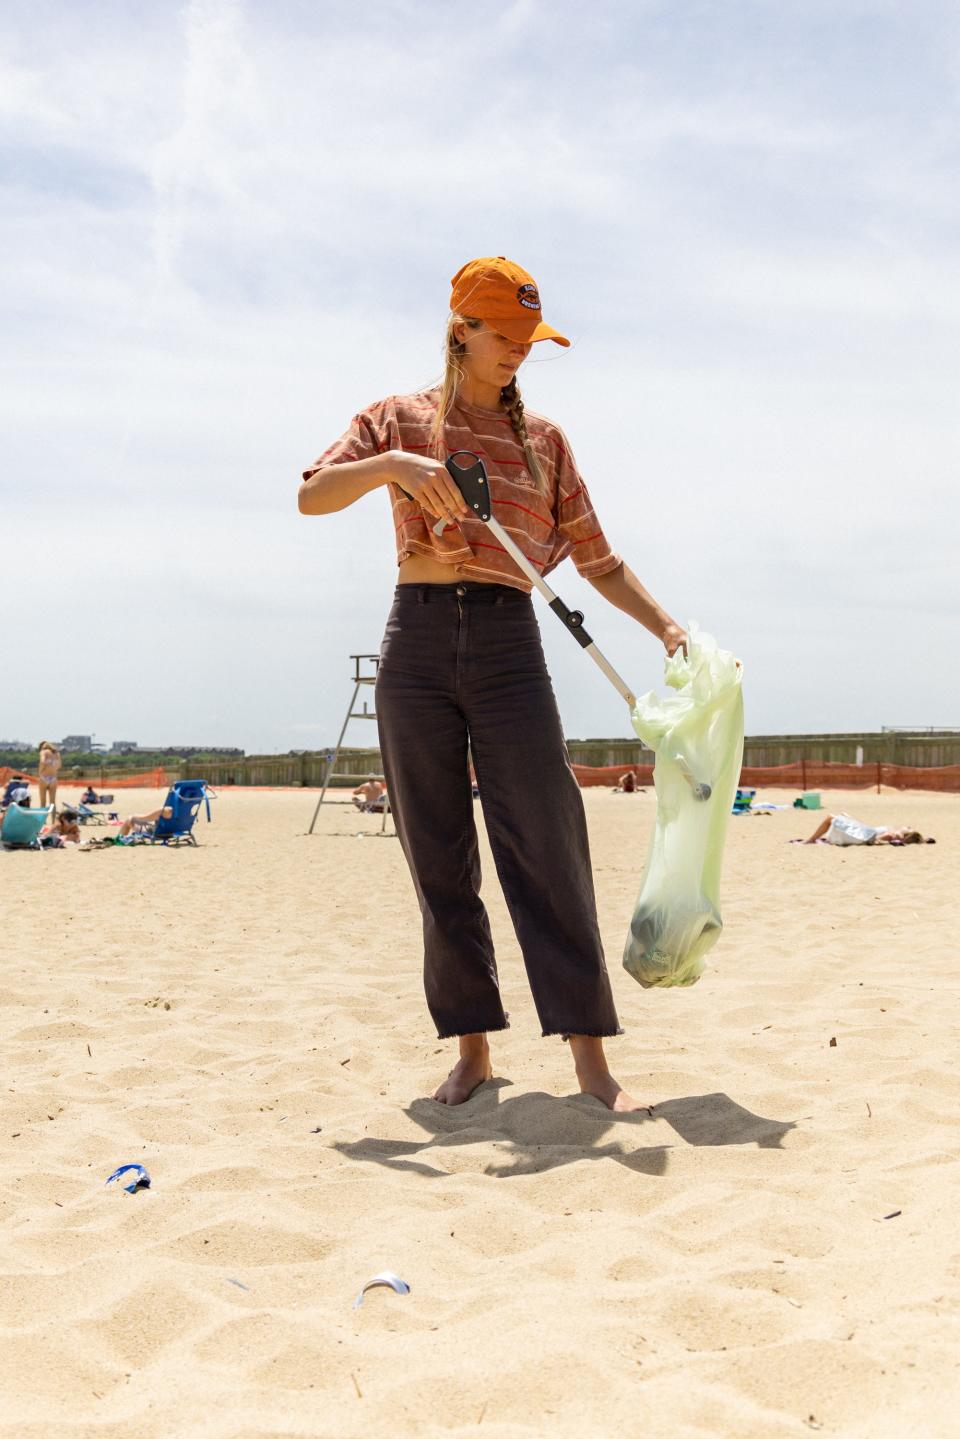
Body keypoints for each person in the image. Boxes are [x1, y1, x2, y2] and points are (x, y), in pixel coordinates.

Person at [299, 255, 687, 1111]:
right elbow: (313, 494)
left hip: (511, 645)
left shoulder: (543, 442)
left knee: (549, 842)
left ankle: (593, 1064)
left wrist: (665, 626)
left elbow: (598, 559)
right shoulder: (395, 418)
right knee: (437, 852)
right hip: (418, 641)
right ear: (460, 332)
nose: (518, 351)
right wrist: (393, 465)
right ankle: (471, 1047)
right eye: (504, 335)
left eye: (528, 339)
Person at [799, 813, 935, 846]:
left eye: (908, 829)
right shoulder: (895, 832)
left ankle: (811, 840)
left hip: (862, 835)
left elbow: (874, 840)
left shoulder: (893, 834)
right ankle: (812, 839)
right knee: (843, 814)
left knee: (831, 817)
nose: (907, 826)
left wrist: (887, 839)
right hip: (865, 831)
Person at [37, 741, 61, 813]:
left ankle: (43, 821)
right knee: (52, 802)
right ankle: (53, 821)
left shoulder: (43, 752)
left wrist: (41, 771)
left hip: (44, 777)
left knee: (43, 801)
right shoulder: (56, 753)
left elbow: (42, 762)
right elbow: (59, 765)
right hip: (53, 778)